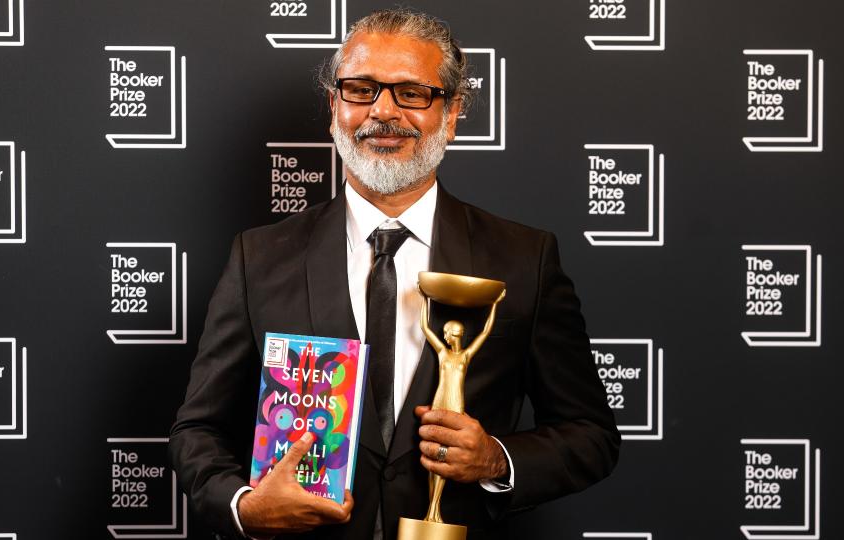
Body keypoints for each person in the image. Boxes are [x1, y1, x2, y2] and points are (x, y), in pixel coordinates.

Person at [169, 8, 620, 540]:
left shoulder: (524, 259)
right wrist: (245, 508)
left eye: (411, 93)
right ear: (334, 107)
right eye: (360, 89)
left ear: (450, 115)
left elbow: (591, 436)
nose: (383, 112)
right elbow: (196, 431)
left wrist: (497, 460)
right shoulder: (260, 258)